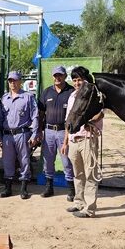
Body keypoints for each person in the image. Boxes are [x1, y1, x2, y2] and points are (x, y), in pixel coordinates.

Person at [62, 67, 104, 218]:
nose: (77, 83)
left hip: (88, 138)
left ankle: (90, 208)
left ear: (86, 80)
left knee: (90, 174)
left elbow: (101, 113)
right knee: (78, 173)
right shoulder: (72, 96)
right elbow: (68, 121)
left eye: (80, 79)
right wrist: (65, 141)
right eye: (74, 80)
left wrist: (91, 121)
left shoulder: (94, 94)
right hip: (74, 140)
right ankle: (79, 202)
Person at [0, 71, 38, 199]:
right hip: (7, 135)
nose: (12, 83)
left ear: (20, 81)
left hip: (22, 134)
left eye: (15, 80)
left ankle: (24, 188)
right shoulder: (5, 98)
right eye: (10, 81)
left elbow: (35, 116)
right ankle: (8, 188)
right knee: (7, 161)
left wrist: (34, 134)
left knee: (24, 160)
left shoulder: (28, 97)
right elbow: (0, 119)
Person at [38, 65, 75, 200]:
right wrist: (39, 131)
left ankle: (71, 189)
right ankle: (49, 188)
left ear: (65, 76)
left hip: (64, 131)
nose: (57, 78)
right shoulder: (47, 92)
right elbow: (41, 113)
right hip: (48, 131)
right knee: (48, 161)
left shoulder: (71, 91)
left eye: (60, 75)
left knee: (66, 161)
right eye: (55, 75)